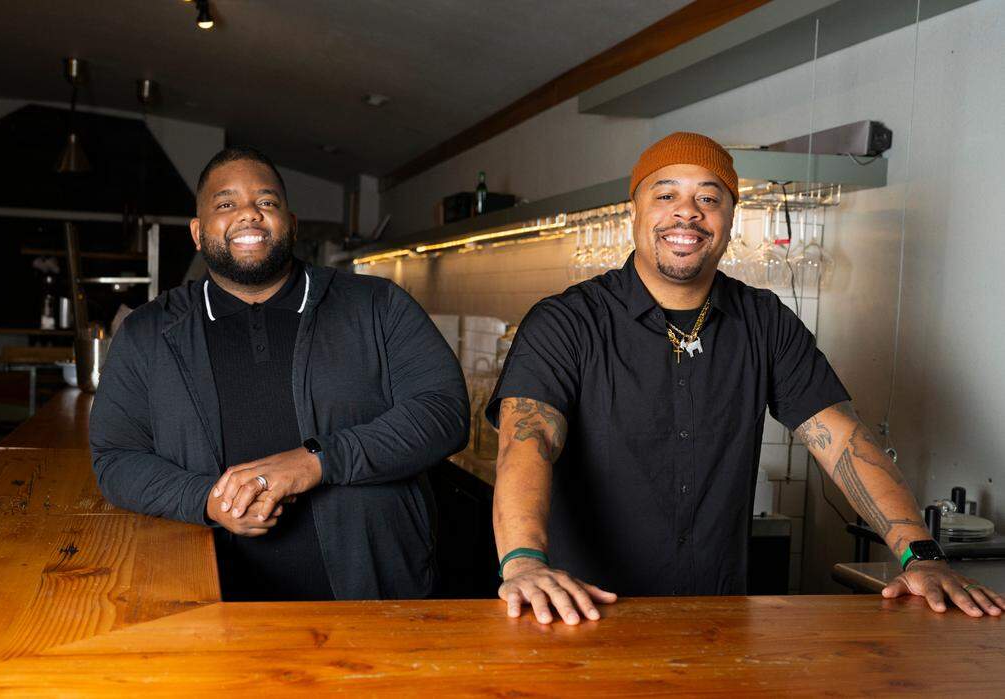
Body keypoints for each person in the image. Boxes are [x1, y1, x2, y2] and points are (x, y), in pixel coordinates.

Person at [487, 132, 1003, 623]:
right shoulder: (566, 322)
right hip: (582, 610)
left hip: (717, 617)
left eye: (709, 199)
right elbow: (525, 444)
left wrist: (921, 555)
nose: (687, 211)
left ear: (731, 219)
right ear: (634, 213)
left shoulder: (765, 322)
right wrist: (525, 562)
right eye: (666, 194)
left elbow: (844, 443)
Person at [90, 146, 469, 600]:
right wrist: (209, 499)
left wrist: (317, 461)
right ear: (197, 232)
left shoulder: (376, 305)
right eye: (225, 204)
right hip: (204, 599)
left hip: (371, 597)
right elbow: (116, 458)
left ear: (290, 223)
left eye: (266, 202)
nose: (249, 214)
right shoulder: (149, 332)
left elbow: (444, 413)